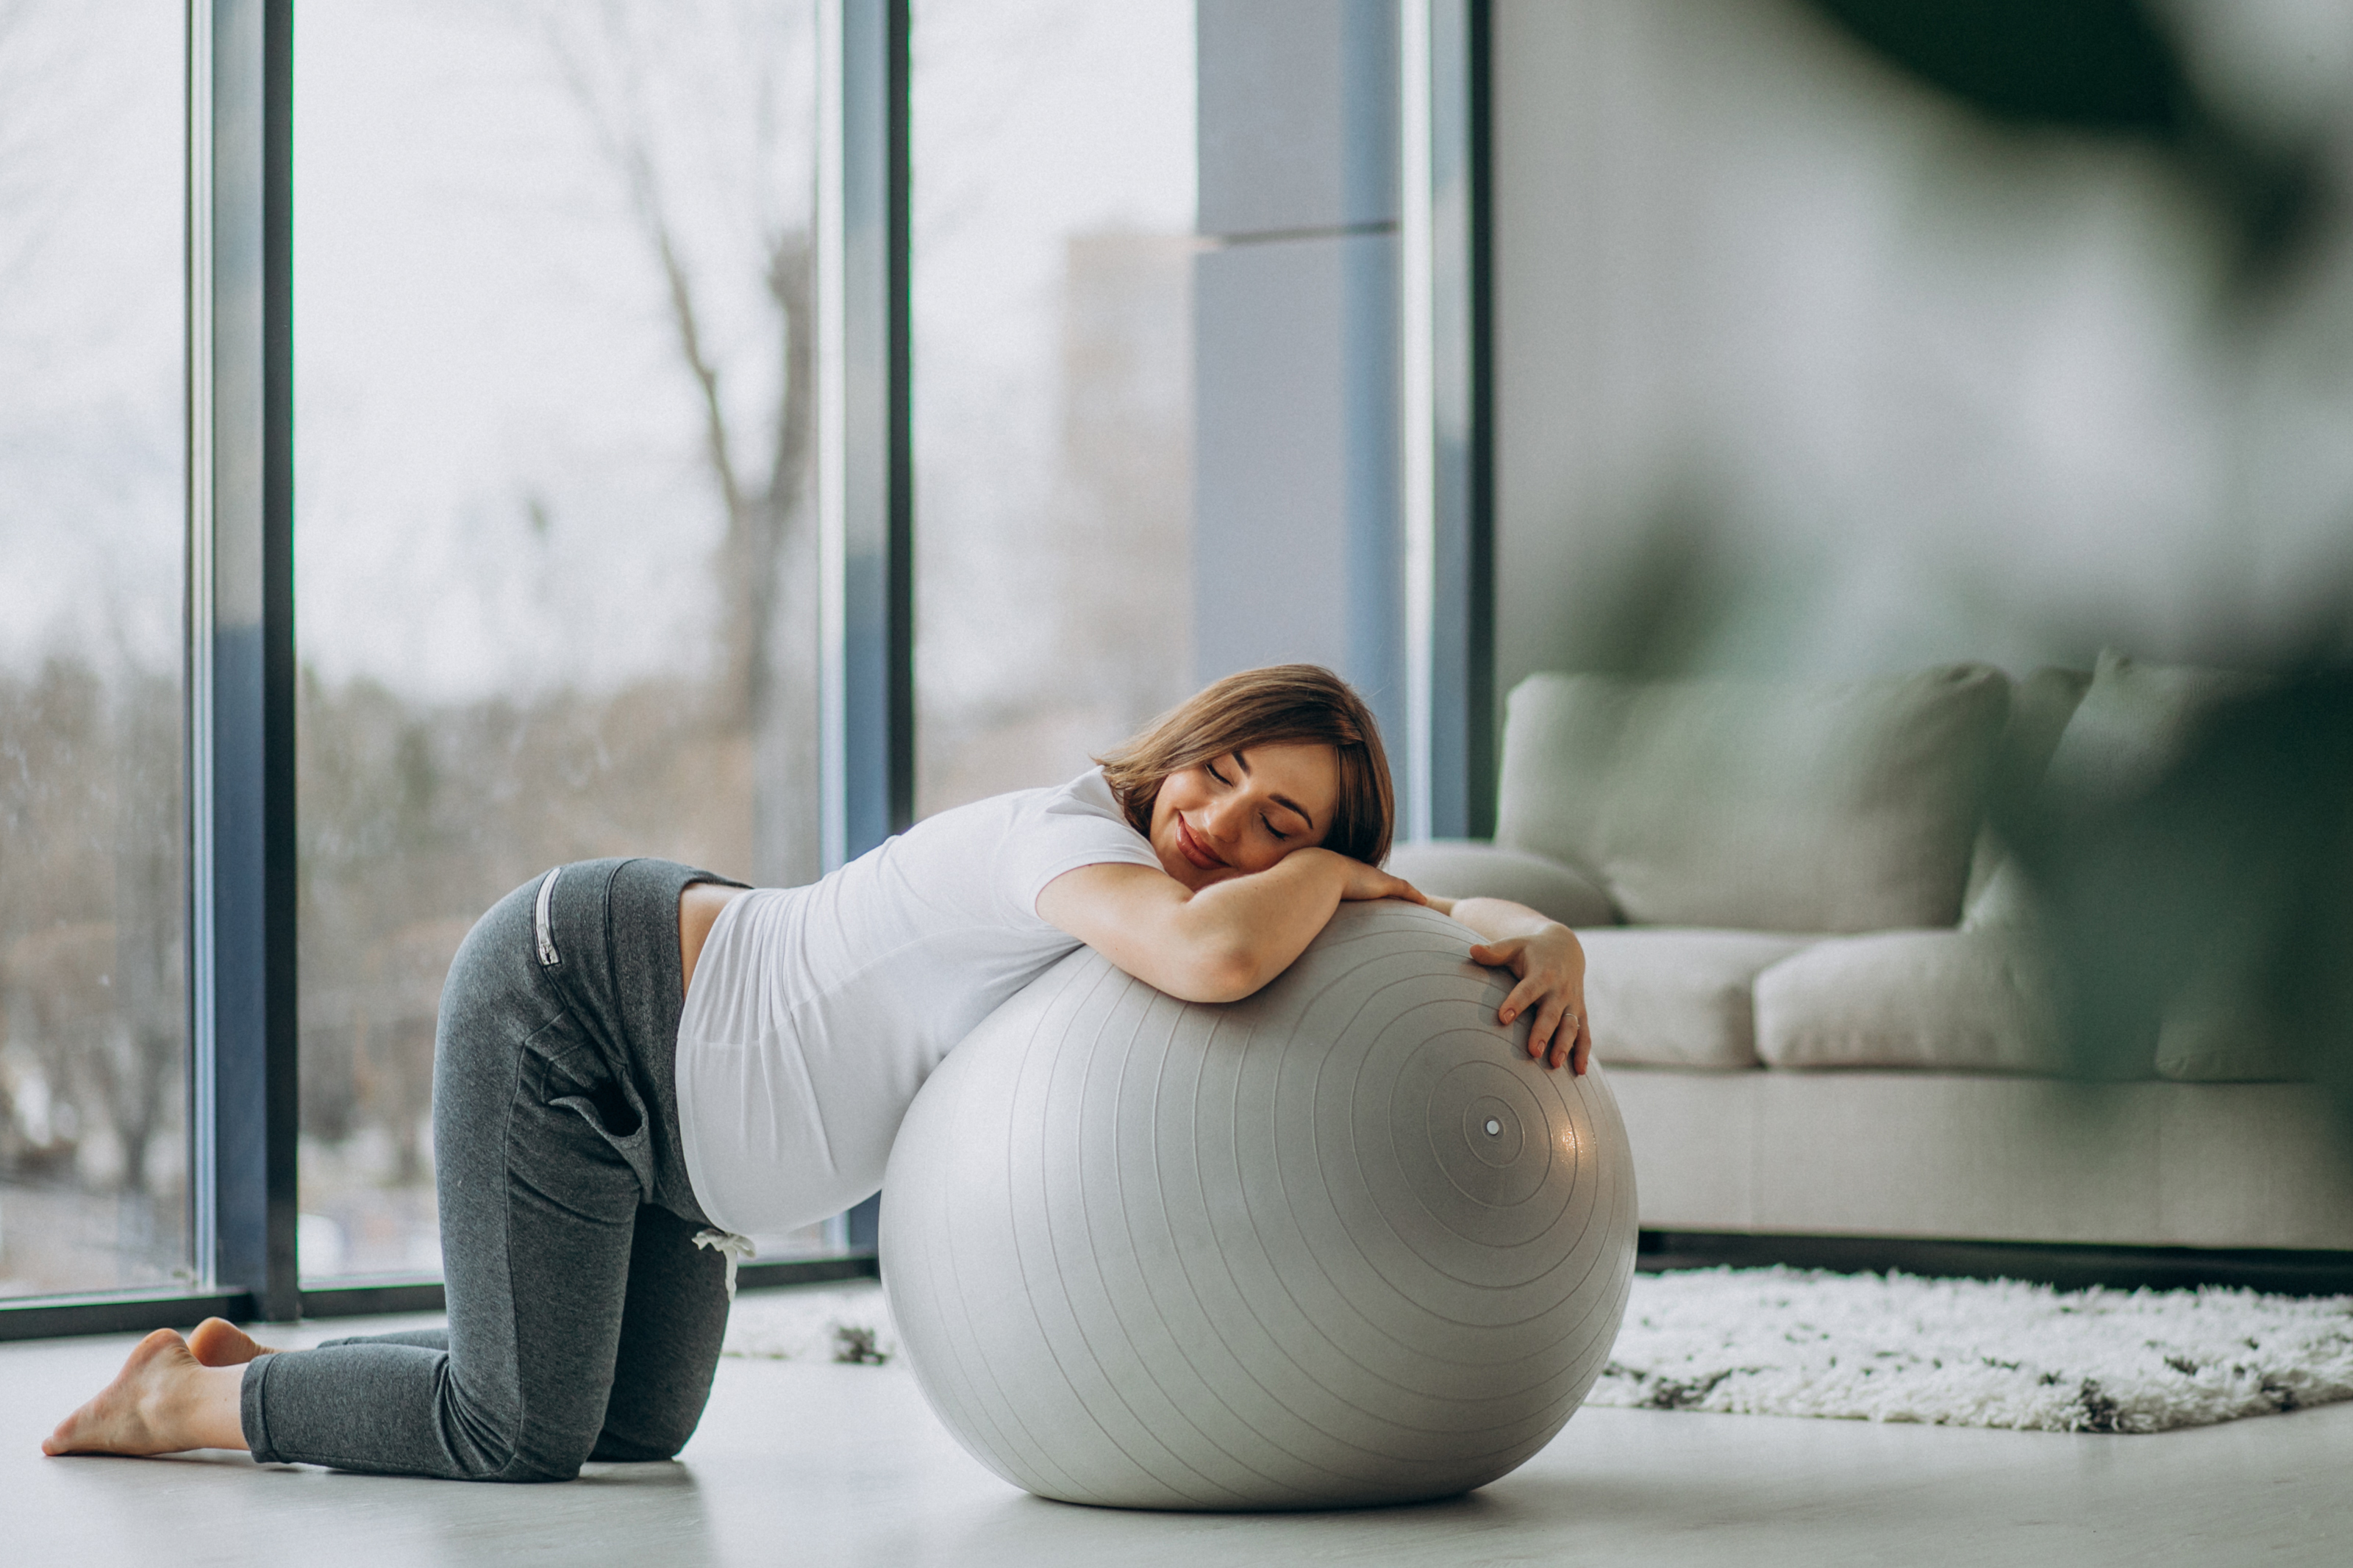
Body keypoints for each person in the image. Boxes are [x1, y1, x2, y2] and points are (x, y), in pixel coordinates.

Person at [44, 664, 1591, 1479]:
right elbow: (1214, 957)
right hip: (583, 1005)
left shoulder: (1191, 886)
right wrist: (1330, 871)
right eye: (1226, 769)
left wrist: (1540, 934)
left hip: (690, 1142)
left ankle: (266, 1373)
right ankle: (176, 1400)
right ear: (1183, 741)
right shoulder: (1069, 839)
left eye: (1280, 825)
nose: (1222, 820)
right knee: (514, 1436)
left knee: (634, 1431)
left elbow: (1393, 929)